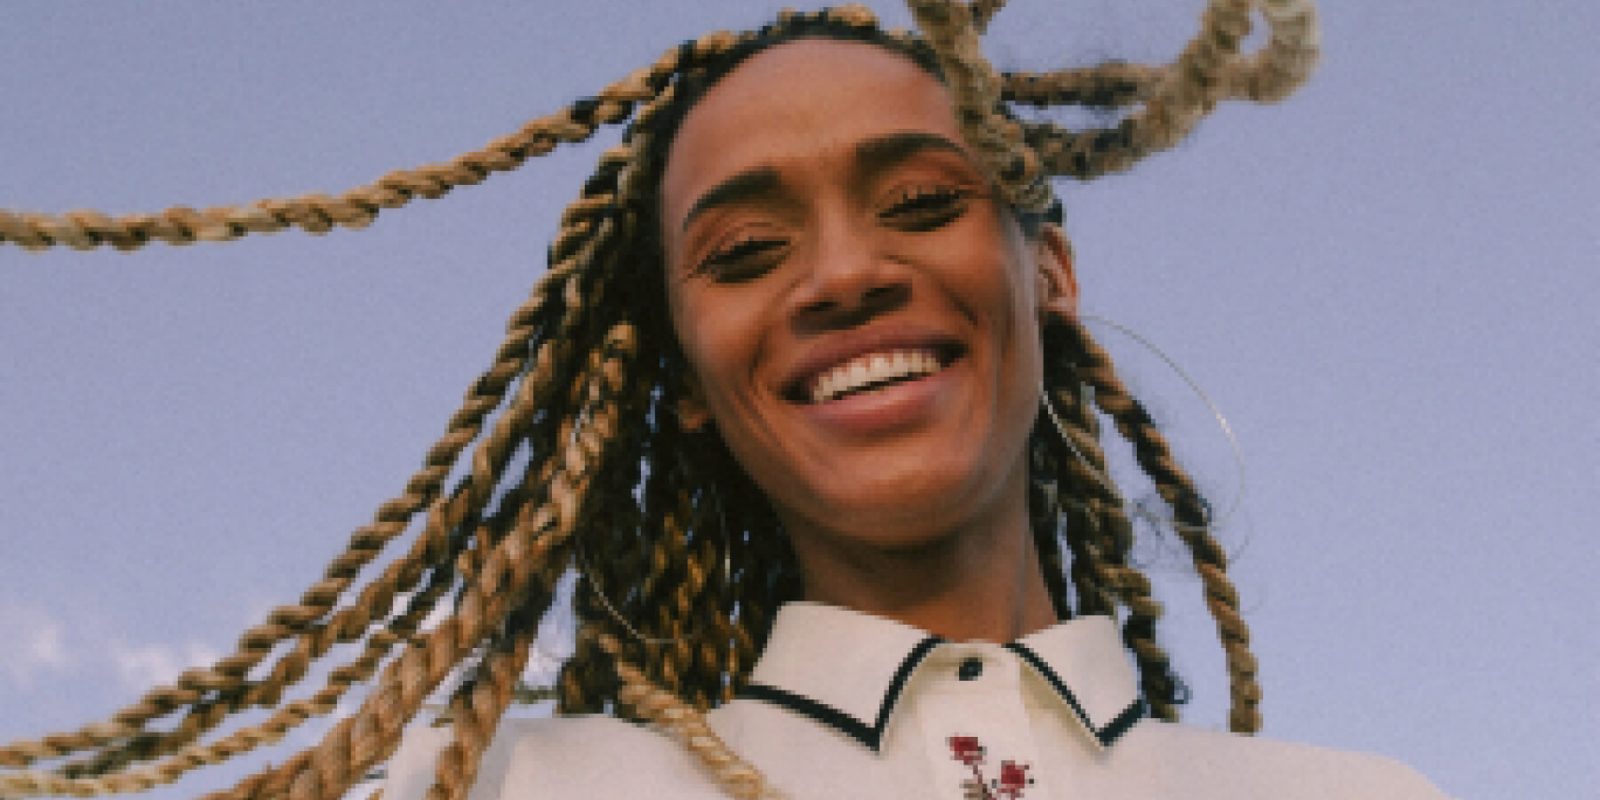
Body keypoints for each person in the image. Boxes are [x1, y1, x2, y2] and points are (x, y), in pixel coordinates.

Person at [0, 2, 1448, 799]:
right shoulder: (507, 790)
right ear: (684, 380)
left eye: (921, 202)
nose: (845, 274)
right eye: (746, 252)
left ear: (1048, 275)